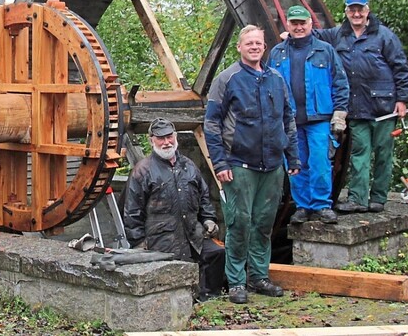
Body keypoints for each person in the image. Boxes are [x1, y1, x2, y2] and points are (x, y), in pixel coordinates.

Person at [203, 24, 301, 304]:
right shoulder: (227, 79)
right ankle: (236, 282)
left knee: (263, 224)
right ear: (239, 47)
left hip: (272, 165)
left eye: (258, 43)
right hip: (239, 165)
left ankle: (259, 277)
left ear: (264, 46)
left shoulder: (276, 79)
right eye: (249, 43)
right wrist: (220, 162)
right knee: (239, 223)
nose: (255, 47)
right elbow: (211, 124)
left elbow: (288, 120)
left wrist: (292, 157)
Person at [315, 0, 408, 214]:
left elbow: (401, 67)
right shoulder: (339, 35)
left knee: (383, 154)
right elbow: (313, 35)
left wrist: (402, 100)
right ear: (347, 12)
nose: (356, 14)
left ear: (367, 11)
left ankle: (378, 198)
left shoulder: (383, 36)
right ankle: (358, 199)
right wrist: (290, 33)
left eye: (360, 10)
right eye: (352, 10)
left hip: (384, 107)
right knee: (359, 154)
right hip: (356, 107)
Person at [123, 118, 225, 301]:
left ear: (176, 137)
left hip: (193, 235)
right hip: (161, 239)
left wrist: (209, 221)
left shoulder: (189, 166)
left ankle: (209, 298)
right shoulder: (142, 171)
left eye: (169, 137)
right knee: (174, 267)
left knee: (217, 253)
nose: (166, 142)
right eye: (161, 138)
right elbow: (132, 213)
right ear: (151, 140)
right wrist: (139, 243)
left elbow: (204, 200)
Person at [269, 5, 350, 225]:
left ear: (310, 24)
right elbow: (268, 88)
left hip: (319, 120)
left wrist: (339, 115)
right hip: (291, 121)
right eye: (294, 23)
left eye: (302, 23)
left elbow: (340, 84)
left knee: (320, 163)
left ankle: (322, 205)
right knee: (295, 165)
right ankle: (303, 206)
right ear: (288, 25)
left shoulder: (325, 50)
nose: (298, 27)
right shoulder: (277, 53)